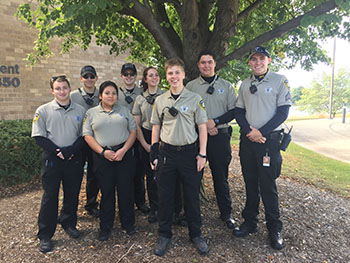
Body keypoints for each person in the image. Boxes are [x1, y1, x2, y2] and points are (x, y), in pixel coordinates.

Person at [233, 46, 292, 250]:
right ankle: (250, 222)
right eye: (254, 59)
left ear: (269, 60)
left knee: (268, 186)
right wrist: (249, 131)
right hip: (248, 141)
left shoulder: (279, 80)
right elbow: (239, 111)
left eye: (261, 59)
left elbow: (283, 112)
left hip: (269, 142)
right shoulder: (245, 84)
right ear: (249, 62)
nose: (257, 63)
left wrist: (262, 132)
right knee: (250, 183)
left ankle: (274, 228)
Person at [150, 58, 209, 256]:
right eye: (170, 73)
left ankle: (196, 234)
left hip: (189, 154)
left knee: (191, 196)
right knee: (165, 197)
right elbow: (156, 126)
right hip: (167, 154)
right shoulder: (160, 100)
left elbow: (202, 127)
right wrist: (154, 152)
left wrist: (202, 154)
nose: (173, 76)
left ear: (184, 75)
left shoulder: (194, 99)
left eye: (177, 72)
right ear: (166, 77)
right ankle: (164, 234)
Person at [31, 75, 86, 253]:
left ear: (70, 89)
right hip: (52, 159)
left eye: (65, 87)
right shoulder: (43, 110)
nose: (62, 91)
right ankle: (45, 234)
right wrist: (58, 151)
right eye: (58, 88)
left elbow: (84, 135)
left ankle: (68, 223)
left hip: (73, 158)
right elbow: (39, 137)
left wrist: (70, 151)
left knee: (72, 194)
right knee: (50, 196)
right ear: (52, 91)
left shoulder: (80, 110)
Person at [186, 50, 237, 229]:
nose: (206, 65)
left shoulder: (227, 86)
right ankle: (191, 215)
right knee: (193, 178)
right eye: (203, 63)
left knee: (220, 177)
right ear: (198, 65)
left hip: (219, 137)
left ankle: (226, 214)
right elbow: (186, 112)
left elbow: (234, 111)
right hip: (196, 138)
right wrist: (203, 126)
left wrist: (214, 122)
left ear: (215, 64)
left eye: (209, 62)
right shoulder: (190, 87)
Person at [83, 80, 137, 241]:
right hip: (103, 157)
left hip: (123, 155)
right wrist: (103, 152)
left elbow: (133, 131)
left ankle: (128, 224)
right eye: (107, 93)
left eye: (114, 93)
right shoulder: (91, 113)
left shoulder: (125, 110)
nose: (111, 96)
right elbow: (87, 135)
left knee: (125, 191)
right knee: (106, 192)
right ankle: (105, 227)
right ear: (100, 95)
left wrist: (124, 150)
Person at [132, 66, 164, 223]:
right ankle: (155, 209)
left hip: (164, 137)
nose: (154, 78)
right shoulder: (139, 99)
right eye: (150, 75)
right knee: (150, 176)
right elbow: (136, 125)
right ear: (145, 79)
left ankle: (168, 208)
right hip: (145, 136)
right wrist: (145, 144)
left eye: (156, 75)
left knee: (165, 175)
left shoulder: (166, 96)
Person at [118, 63, 150, 214]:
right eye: (126, 74)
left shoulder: (142, 93)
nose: (129, 77)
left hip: (139, 135)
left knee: (140, 171)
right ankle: (126, 202)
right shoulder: (116, 93)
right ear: (122, 76)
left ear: (135, 76)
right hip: (122, 135)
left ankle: (141, 201)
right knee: (125, 173)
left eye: (132, 74)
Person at [70, 65, 100, 218]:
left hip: (96, 140)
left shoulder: (101, 95)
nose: (89, 79)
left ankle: (92, 204)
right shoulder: (73, 96)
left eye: (91, 76)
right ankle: (70, 207)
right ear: (81, 78)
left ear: (96, 78)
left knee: (94, 174)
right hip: (78, 141)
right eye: (86, 76)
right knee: (74, 174)